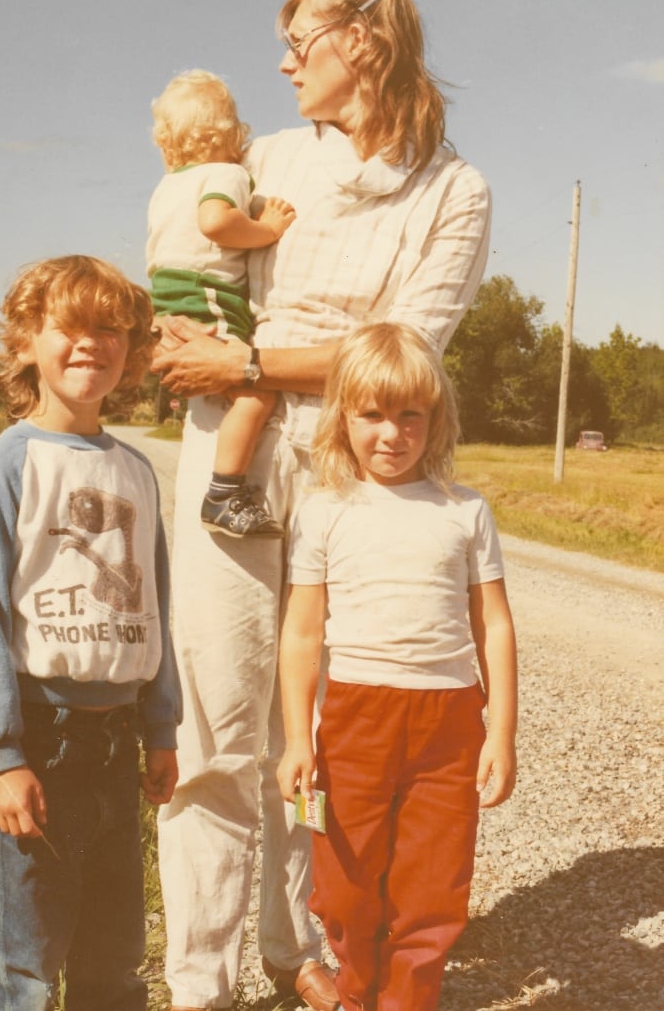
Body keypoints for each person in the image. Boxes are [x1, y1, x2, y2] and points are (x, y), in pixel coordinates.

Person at [153, 0, 492, 1011]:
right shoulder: (265, 155)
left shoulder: (454, 190)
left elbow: (401, 356)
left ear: (368, 41)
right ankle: (201, 982)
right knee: (218, 728)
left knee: (315, 735)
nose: (286, 58)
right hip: (233, 455)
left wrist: (246, 364)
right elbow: (194, 266)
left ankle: (299, 945)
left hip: (359, 478)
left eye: (303, 37)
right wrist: (185, 341)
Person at [0, 254, 182, 1011]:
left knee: (113, 958)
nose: (92, 345)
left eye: (111, 329)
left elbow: (154, 607)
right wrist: (2, 755)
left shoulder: (137, 472)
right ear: (25, 343)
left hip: (117, 743)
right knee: (27, 965)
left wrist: (161, 726)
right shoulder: (4, 468)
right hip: (40, 743)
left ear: (134, 349)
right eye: (69, 328)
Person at [276, 322, 518, 1011]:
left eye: (410, 414)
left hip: (448, 725)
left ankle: (409, 1001)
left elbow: (494, 625)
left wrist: (500, 733)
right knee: (347, 885)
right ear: (343, 418)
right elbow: (301, 634)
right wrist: (299, 738)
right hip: (355, 722)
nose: (391, 433)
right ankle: (357, 994)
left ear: (434, 418)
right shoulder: (324, 512)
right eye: (372, 414)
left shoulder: (465, 511)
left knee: (432, 887)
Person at [148, 68, 296, 538]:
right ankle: (225, 491)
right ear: (229, 133)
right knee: (256, 393)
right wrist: (267, 231)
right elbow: (215, 222)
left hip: (169, 295)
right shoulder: (227, 173)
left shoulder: (166, 186)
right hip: (205, 292)